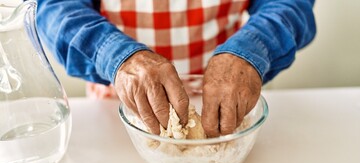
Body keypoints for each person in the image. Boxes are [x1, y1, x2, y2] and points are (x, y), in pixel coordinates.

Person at [36, 0, 316, 137]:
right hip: (117, 112)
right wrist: (116, 55)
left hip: (231, 104)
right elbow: (55, 9)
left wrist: (252, 49)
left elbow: (289, 4)